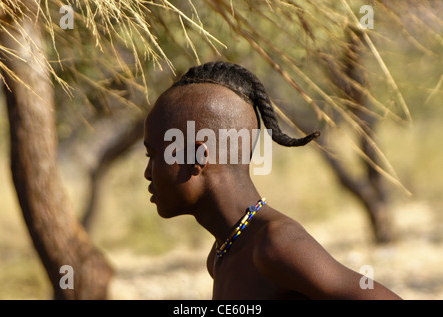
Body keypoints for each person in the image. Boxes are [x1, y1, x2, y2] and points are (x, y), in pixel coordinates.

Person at [143, 61, 402, 299]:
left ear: (198, 157)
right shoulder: (222, 253)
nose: (147, 172)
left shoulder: (275, 244)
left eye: (154, 156)